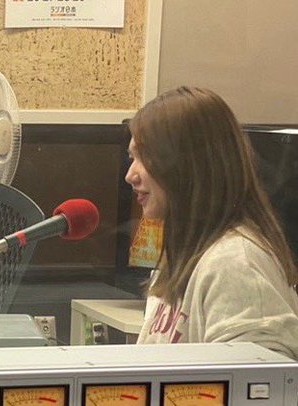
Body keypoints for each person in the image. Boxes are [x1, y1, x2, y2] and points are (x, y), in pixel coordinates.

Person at [125, 86, 298, 357]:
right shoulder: (186, 259)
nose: (130, 175)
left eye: (144, 157)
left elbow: (260, 377)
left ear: (187, 164)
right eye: (132, 158)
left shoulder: (235, 263)